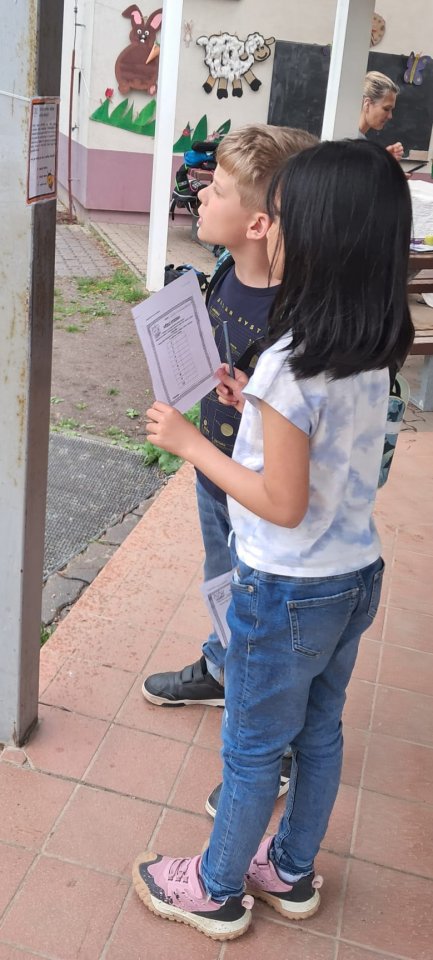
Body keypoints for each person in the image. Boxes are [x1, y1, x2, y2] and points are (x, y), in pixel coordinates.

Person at [133, 139, 414, 941]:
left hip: (283, 587)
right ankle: (288, 870)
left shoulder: (293, 363)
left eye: (282, 217)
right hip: (351, 576)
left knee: (252, 749)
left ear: (318, 238)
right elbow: (317, 455)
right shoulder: (365, 347)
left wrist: (194, 444)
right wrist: (249, 400)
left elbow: (279, 502)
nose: (269, 226)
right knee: (319, 732)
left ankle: (216, 887)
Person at [142, 124, 317, 814]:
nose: (200, 195)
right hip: (215, 473)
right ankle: (221, 668)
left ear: (257, 223)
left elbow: (292, 438)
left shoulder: (297, 317)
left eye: (214, 188)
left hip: (262, 497)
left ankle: (275, 744)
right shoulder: (221, 273)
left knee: (262, 615)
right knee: (224, 582)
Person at [359, 70, 404, 159]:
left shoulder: (359, 142)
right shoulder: (354, 145)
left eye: (391, 110)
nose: (390, 116)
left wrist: (385, 160)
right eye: (386, 109)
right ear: (367, 104)